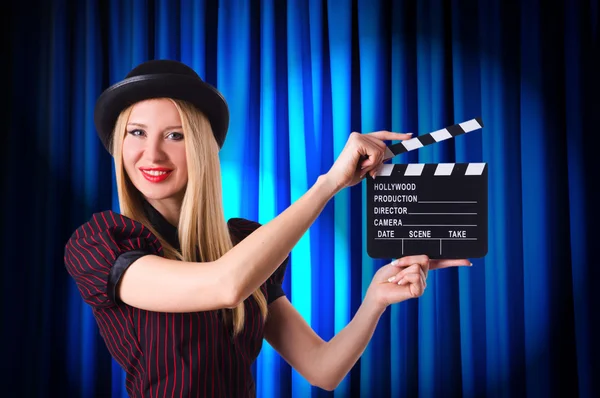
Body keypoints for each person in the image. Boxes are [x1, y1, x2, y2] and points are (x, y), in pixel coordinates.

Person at [64, 59, 470, 397]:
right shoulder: (99, 245)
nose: (152, 153)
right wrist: (328, 184)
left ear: (202, 148)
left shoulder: (245, 244)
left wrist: (375, 300)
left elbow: (321, 369)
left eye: (175, 135)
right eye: (137, 133)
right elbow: (225, 286)